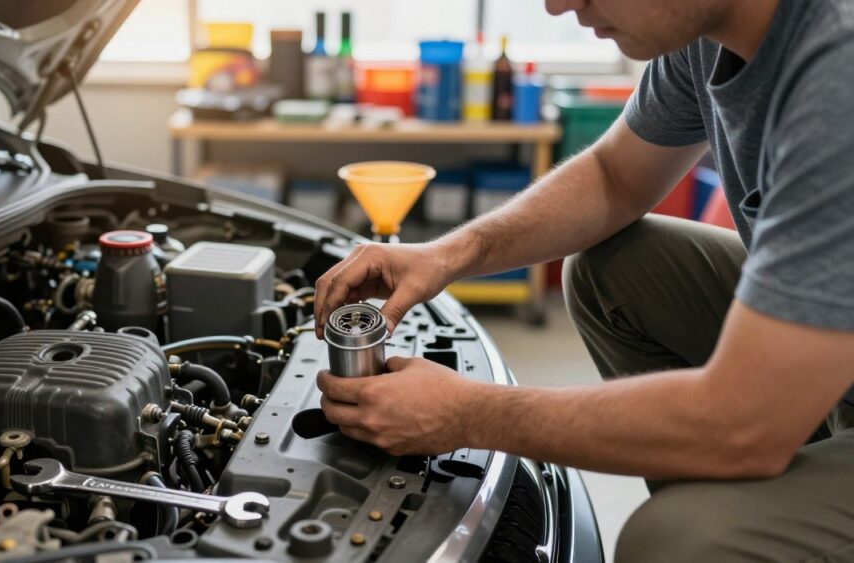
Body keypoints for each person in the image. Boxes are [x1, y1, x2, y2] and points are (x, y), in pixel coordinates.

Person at [312, 0, 854, 560]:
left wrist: (464, 413)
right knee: (618, 269)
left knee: (675, 540)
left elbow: (744, 423)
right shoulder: (706, 34)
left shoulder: (838, 74)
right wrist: (446, 255)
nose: (556, 4)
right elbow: (614, 177)